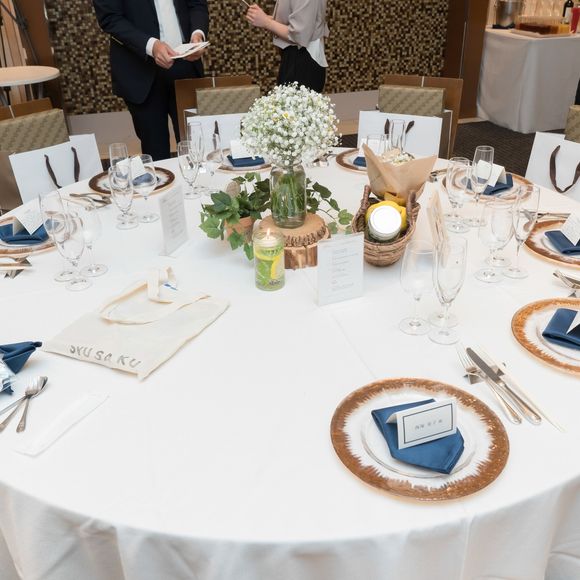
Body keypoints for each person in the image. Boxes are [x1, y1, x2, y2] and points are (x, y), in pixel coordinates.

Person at [93, 0, 209, 161]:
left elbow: (197, 4)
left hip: (186, 65)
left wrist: (198, 33)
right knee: (156, 155)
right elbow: (110, 18)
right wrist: (151, 45)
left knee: (197, 148)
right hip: (140, 70)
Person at [245, 0, 328, 93]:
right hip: (296, 57)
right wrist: (264, 18)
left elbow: (300, 35)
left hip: (303, 60)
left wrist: (267, 22)